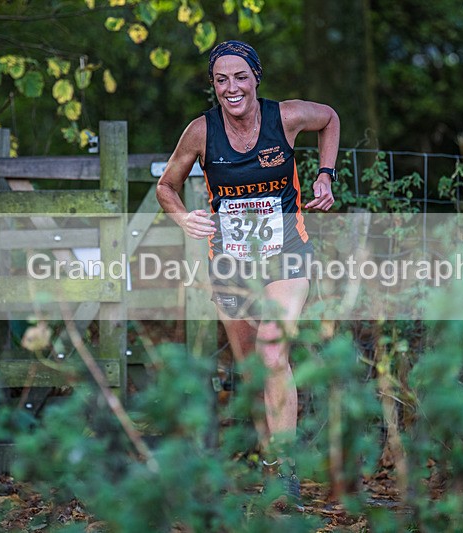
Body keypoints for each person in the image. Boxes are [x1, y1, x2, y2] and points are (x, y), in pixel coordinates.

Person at [156, 40, 339, 502]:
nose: (231, 88)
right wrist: (182, 217)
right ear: (213, 86)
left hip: (286, 253)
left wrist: (325, 174)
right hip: (231, 262)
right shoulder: (200, 132)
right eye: (221, 80)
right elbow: (166, 186)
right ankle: (272, 465)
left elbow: (331, 119)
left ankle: (285, 471)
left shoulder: (288, 117)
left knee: (274, 351)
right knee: (255, 372)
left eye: (240, 77)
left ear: (256, 77)